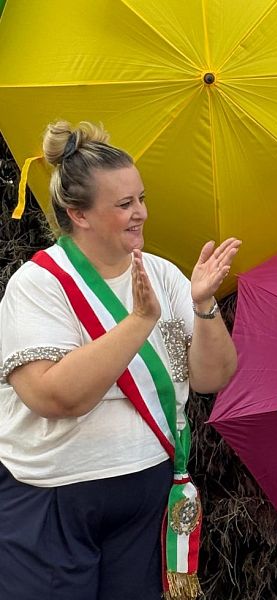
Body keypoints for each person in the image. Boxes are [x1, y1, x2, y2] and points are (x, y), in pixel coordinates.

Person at [0, 120, 240, 600]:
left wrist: (204, 305)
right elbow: (54, 397)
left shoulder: (163, 273)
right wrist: (139, 320)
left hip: (146, 488)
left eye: (141, 199)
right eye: (124, 204)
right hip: (55, 494)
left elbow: (213, 376)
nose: (141, 214)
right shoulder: (39, 284)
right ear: (79, 214)